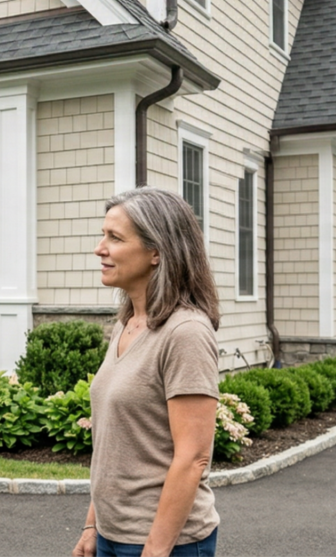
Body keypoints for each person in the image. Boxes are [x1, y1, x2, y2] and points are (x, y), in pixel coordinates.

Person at [73, 187, 221, 557]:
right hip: (112, 535)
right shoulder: (128, 323)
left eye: (115, 238)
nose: (99, 248)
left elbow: (193, 458)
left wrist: (155, 552)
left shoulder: (185, 332)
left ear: (156, 252)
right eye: (103, 235)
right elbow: (115, 443)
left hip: (165, 543)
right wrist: (93, 525)